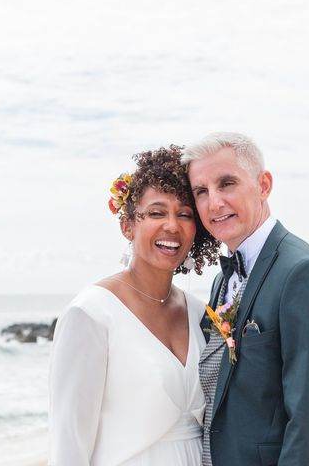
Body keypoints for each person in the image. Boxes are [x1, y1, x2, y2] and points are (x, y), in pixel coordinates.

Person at [182, 132, 309, 466]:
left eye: (227, 183)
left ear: (263, 185)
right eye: (201, 191)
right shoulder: (222, 281)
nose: (214, 203)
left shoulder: (307, 275)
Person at [49, 146, 220, 465]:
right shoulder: (91, 314)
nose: (172, 225)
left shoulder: (199, 314)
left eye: (184, 214)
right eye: (156, 212)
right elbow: (69, 441)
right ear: (127, 225)